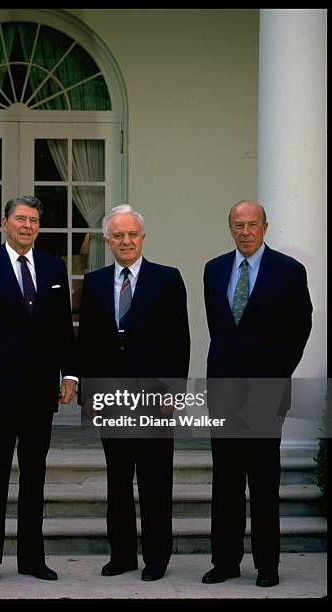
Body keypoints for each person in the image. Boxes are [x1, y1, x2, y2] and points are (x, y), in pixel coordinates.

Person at [0, 195, 78, 584]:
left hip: (40, 393)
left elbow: (62, 328)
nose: (28, 226)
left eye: (34, 221)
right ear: (6, 223)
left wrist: (70, 374)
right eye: (21, 219)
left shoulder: (52, 265)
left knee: (34, 478)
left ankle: (31, 559)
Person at [202, 200, 312, 587]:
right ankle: (225, 562)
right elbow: (220, 329)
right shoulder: (214, 269)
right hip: (224, 390)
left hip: (266, 390)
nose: (245, 232)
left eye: (252, 225)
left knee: (264, 482)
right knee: (226, 481)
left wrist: (276, 375)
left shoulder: (289, 271)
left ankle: (267, 566)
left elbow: (300, 328)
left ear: (265, 227)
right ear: (229, 227)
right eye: (238, 225)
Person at [78, 205, 190, 581]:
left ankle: (156, 558)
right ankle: (122, 555)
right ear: (107, 241)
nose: (126, 241)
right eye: (118, 236)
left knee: (156, 482)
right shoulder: (93, 282)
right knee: (118, 481)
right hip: (112, 399)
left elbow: (180, 342)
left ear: (142, 237)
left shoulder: (167, 279)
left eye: (132, 234)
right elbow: (87, 343)